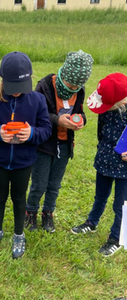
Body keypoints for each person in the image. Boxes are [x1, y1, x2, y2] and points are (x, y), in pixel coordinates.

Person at [0, 51, 52, 258]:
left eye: (21, 88)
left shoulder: (37, 100)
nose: (17, 93)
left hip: (23, 162)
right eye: (12, 88)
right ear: (2, 80)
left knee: (19, 198)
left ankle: (19, 234)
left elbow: (46, 129)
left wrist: (32, 133)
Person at [25, 50, 93, 233]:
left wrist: (81, 120)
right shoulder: (45, 86)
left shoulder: (79, 90)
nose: (73, 88)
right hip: (43, 145)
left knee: (54, 184)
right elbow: (34, 114)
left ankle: (48, 213)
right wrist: (57, 120)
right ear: (63, 74)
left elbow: (80, 111)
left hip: (64, 145)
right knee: (39, 184)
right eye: (70, 84)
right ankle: (30, 212)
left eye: (77, 86)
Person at [71, 73, 127, 257]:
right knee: (100, 196)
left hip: (124, 168)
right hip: (104, 160)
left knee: (121, 205)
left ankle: (116, 238)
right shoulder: (106, 110)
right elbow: (101, 132)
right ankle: (91, 222)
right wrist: (102, 150)